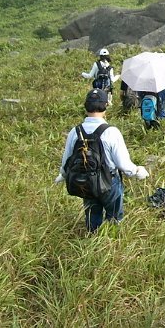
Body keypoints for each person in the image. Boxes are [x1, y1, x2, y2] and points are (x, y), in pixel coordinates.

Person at [55, 88, 149, 233]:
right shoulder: (111, 131)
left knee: (92, 216)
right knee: (114, 218)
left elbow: (67, 160)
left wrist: (63, 174)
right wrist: (137, 171)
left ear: (86, 106)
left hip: (86, 181)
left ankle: (91, 239)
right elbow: (123, 164)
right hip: (110, 182)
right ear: (106, 106)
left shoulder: (75, 131)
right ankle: (110, 242)